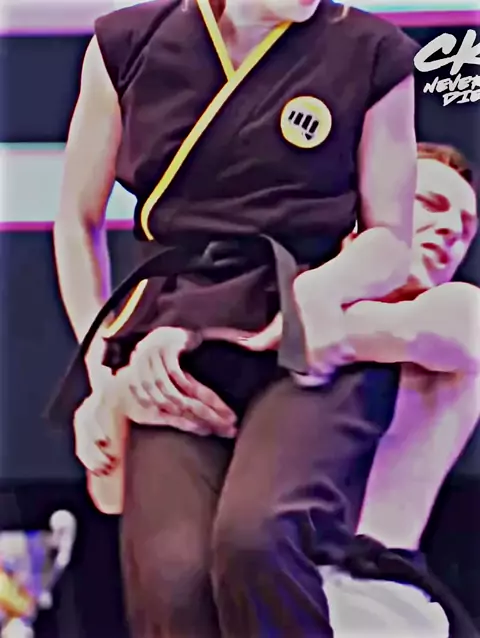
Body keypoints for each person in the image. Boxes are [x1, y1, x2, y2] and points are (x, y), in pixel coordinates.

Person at [49, 0, 420, 636]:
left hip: (307, 339)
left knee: (259, 538)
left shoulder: (372, 50)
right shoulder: (128, 42)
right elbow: (77, 221)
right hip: (171, 335)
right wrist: (103, 364)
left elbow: (390, 239)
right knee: (173, 578)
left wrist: (320, 290)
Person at [80, 142, 480, 637]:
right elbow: (111, 495)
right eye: (430, 204)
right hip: (236, 602)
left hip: (369, 607)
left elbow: (358, 335)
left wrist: (195, 340)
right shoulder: (262, 316)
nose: (451, 230)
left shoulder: (455, 309)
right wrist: (122, 397)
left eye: (467, 227)